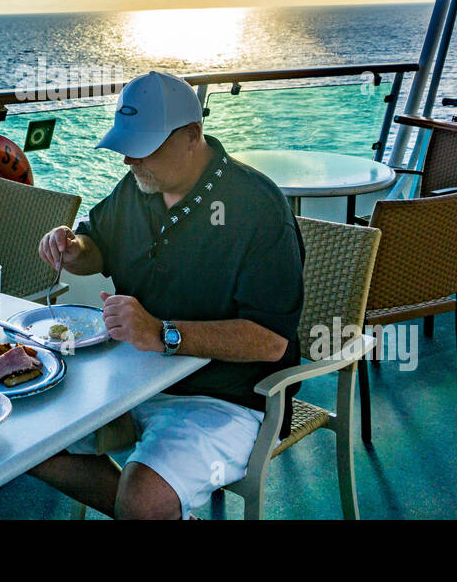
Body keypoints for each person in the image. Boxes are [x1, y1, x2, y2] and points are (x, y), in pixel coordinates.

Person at [31, 70, 305, 519]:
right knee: (27, 444)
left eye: (144, 148)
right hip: (130, 377)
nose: (129, 161)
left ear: (193, 136)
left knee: (141, 501)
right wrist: (71, 246)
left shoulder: (257, 207)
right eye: (126, 147)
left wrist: (163, 333)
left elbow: (271, 340)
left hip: (226, 396)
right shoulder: (141, 185)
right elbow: (95, 246)